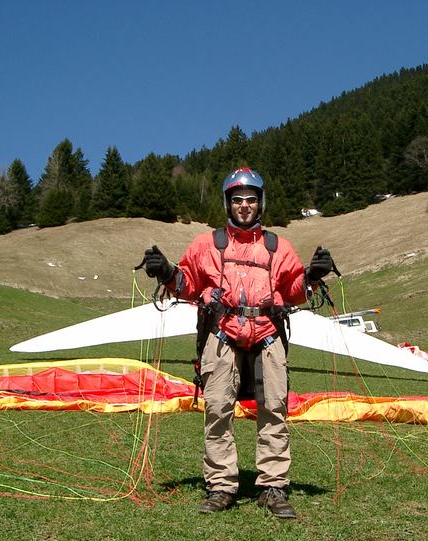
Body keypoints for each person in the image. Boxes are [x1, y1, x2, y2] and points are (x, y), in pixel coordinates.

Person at [140, 167, 334, 518]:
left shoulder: (278, 247)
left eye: (251, 200)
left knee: (274, 409)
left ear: (261, 204)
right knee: (217, 411)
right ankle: (221, 486)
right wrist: (167, 272)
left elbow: (293, 290)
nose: (244, 206)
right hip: (222, 333)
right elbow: (189, 285)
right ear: (227, 204)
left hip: (268, 335)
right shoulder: (206, 244)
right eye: (237, 200)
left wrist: (312, 276)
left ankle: (273, 487)